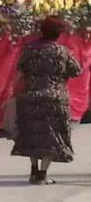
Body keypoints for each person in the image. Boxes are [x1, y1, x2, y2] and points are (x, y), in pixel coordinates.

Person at [11, 16, 82, 184]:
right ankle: (42, 174)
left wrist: (15, 94)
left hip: (30, 96)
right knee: (52, 136)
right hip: (55, 98)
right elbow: (77, 71)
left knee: (33, 134)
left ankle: (33, 170)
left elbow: (19, 75)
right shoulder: (62, 51)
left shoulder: (30, 49)